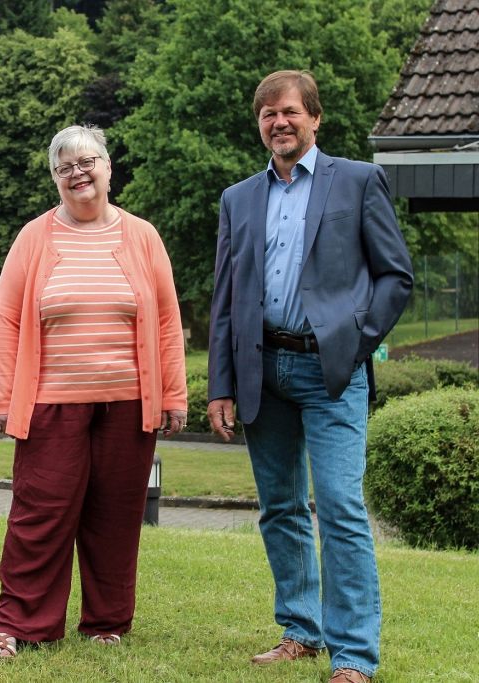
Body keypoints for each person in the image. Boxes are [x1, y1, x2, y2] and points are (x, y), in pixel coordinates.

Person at [207, 70, 413, 683]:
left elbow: (395, 276)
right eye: (268, 114)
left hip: (331, 371)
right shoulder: (238, 198)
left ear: (315, 118)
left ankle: (353, 655)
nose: (280, 122)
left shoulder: (357, 180)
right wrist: (220, 383)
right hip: (260, 371)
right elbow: (224, 299)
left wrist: (355, 340)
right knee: (280, 508)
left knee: (342, 507)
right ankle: (300, 630)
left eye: (291, 111)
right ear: (260, 125)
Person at [0, 124, 187, 660]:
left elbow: (167, 320)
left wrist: (173, 395)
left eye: (87, 161)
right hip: (51, 401)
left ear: (108, 167)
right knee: (39, 513)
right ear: (55, 178)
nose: (78, 173)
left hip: (128, 402)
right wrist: (6, 399)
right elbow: (5, 319)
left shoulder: (142, 236)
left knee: (115, 515)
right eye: (65, 166)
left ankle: (106, 621)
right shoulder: (35, 236)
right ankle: (19, 623)